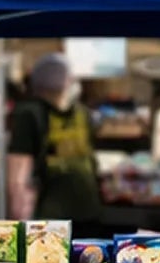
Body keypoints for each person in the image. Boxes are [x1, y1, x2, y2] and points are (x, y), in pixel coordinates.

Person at [7, 52, 101, 225]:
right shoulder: (79, 113)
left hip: (62, 217)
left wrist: (19, 226)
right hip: (75, 214)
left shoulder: (30, 114)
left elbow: (18, 178)